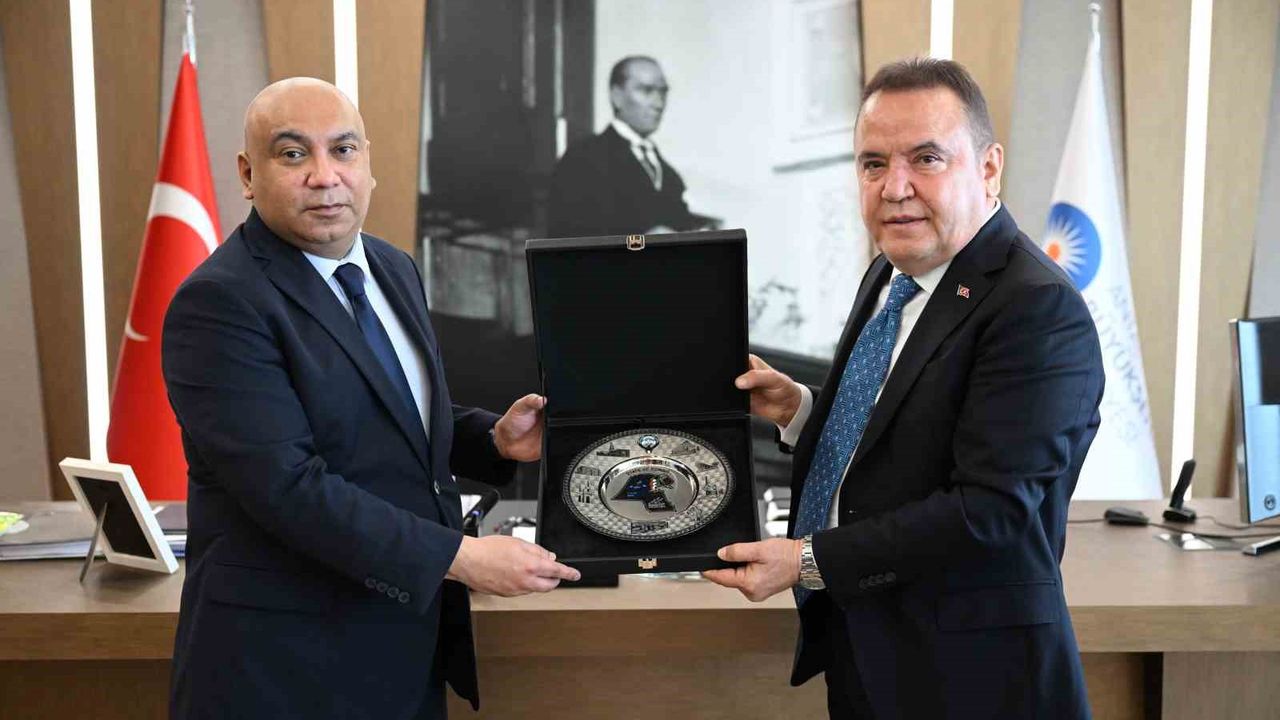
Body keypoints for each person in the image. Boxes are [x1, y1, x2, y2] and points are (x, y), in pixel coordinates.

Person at [163, 77, 580, 720]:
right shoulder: (219, 303)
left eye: (343, 149)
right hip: (284, 667)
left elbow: (387, 415)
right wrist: (460, 556)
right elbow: (288, 488)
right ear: (248, 174)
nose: (325, 176)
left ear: (368, 163)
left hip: (403, 647)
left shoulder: (390, 266)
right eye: (293, 154)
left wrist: (491, 440)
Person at [703, 58, 1102, 719]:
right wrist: (801, 411)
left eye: (926, 159)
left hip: (972, 680)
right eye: (873, 163)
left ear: (989, 168)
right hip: (869, 648)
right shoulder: (891, 273)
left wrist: (805, 561)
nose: (894, 188)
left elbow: (987, 511)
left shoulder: (1036, 307)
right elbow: (902, 436)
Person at [547, 55, 702, 237]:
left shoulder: (669, 175)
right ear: (617, 96)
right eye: (646, 90)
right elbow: (568, 235)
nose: (659, 103)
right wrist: (640, 242)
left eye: (663, 91)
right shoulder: (582, 159)